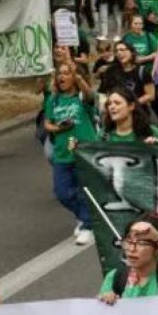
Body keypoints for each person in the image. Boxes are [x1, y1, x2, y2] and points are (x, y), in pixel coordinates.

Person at [42, 62, 99, 245]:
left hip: (83, 151)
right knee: (62, 192)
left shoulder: (81, 97)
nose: (62, 77)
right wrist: (59, 127)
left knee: (85, 190)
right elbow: (47, 123)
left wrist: (78, 75)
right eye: (60, 74)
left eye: (67, 74)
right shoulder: (54, 99)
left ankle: (88, 226)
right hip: (62, 153)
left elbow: (90, 96)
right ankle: (83, 216)